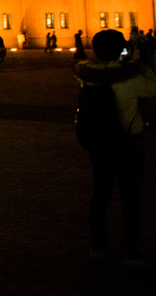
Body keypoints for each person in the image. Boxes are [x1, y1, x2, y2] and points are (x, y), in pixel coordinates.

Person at [75, 29, 156, 266]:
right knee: (130, 200)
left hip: (100, 147)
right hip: (128, 147)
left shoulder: (87, 75)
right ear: (122, 49)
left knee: (100, 195)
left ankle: (98, 244)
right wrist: (142, 61)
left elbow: (81, 63)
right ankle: (130, 250)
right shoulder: (131, 77)